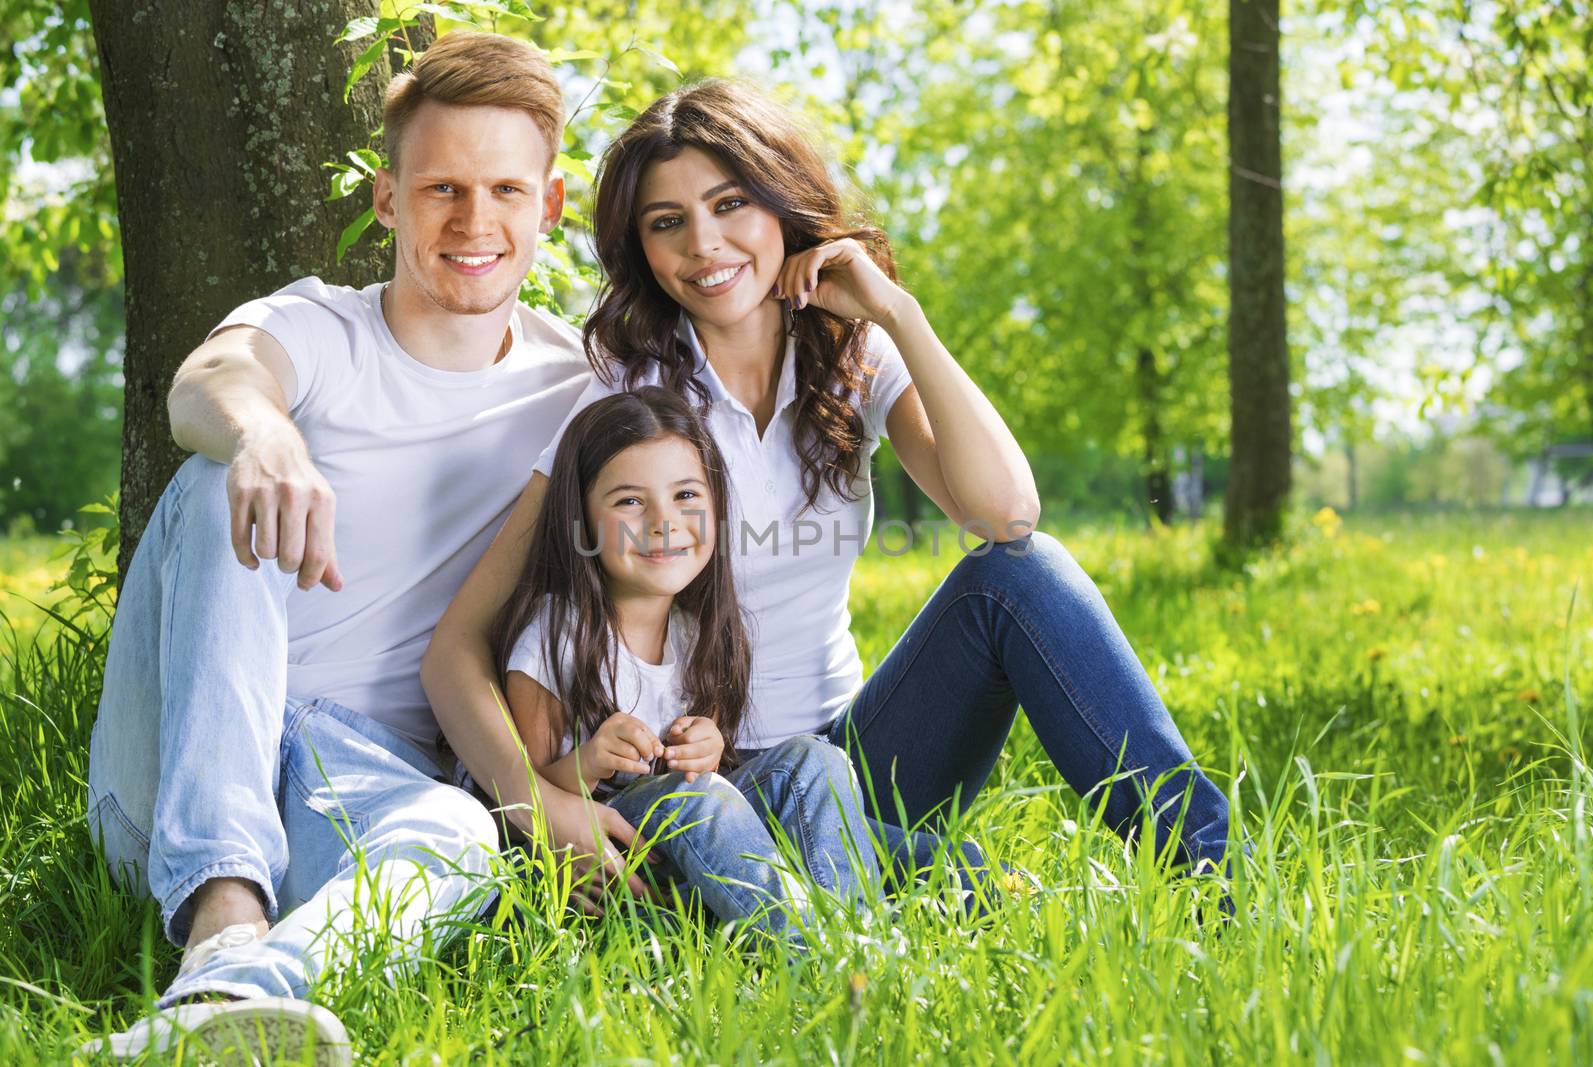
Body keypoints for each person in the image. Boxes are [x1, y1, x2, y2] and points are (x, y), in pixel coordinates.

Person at [424, 79, 1235, 897]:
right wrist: (539, 808)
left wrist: (897, 314)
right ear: (643, 248)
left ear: (781, 204)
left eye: (731, 203)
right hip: (703, 786)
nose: (705, 244)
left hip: (853, 759)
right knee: (949, 882)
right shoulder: (626, 403)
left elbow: (1006, 512)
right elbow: (457, 651)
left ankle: (1207, 873)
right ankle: (893, 881)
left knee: (1022, 575)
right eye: (667, 222)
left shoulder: (853, 359)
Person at [82, 32, 652, 1063]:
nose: (474, 222)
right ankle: (219, 914)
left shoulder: (579, 394)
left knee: (467, 838)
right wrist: (265, 431)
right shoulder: (319, 329)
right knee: (223, 478)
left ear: (551, 206)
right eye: (440, 188)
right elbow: (209, 382)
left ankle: (215, 1012)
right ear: (388, 201)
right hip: (176, 765)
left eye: (505, 191)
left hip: (359, 783)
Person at [489, 386, 880, 939]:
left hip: (707, 851)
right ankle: (812, 953)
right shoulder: (557, 634)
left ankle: (857, 935)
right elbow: (519, 803)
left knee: (816, 763)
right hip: (618, 871)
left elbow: (711, 783)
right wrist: (589, 762)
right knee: (699, 799)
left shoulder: (696, 632)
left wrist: (708, 748)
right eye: (629, 501)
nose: (663, 522)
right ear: (581, 519)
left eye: (686, 496)